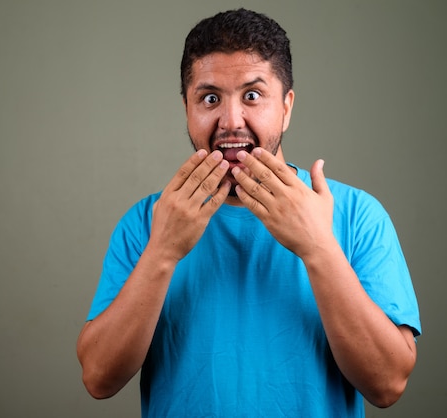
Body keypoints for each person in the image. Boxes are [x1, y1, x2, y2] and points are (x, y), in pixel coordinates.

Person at [77, 8, 421, 417]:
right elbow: (99, 378)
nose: (231, 120)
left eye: (252, 96)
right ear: (187, 108)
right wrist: (162, 252)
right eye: (209, 98)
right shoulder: (146, 222)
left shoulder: (357, 216)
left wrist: (318, 248)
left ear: (287, 107)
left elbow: (387, 385)